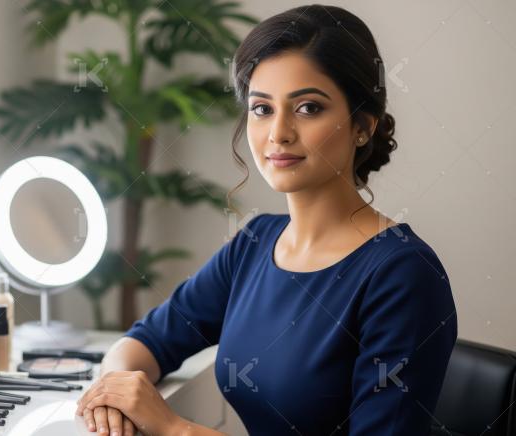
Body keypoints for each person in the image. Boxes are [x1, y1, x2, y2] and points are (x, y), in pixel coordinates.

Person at [75, 4, 457, 436]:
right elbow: (148, 340)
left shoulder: (403, 274)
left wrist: (173, 428)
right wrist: (116, 390)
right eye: (261, 108)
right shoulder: (256, 242)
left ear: (362, 126)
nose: (278, 133)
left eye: (308, 108)